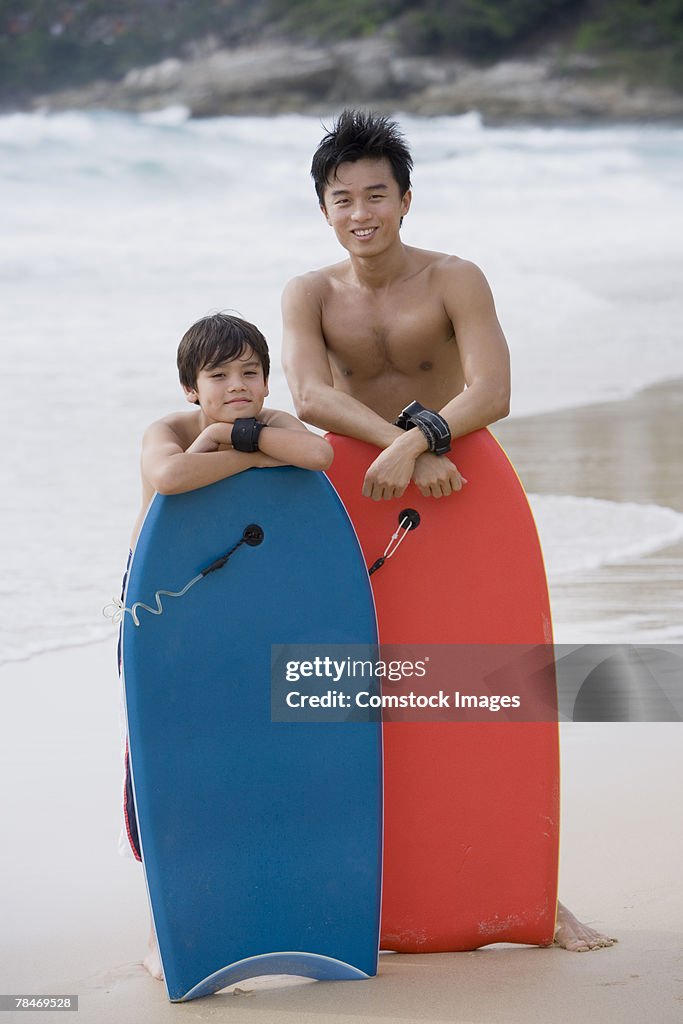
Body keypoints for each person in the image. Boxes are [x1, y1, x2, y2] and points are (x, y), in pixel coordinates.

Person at [281, 108, 615, 953]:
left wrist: (420, 439)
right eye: (343, 198)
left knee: (493, 694)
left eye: (377, 195)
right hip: (356, 491)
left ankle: (530, 897)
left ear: (406, 198)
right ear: (323, 207)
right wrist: (400, 447)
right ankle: (376, 894)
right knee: (367, 700)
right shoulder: (309, 292)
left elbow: (493, 390)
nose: (362, 213)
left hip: (461, 482)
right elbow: (311, 397)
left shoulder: (453, 278)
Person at [119, 312, 333, 978]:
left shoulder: (279, 424)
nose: (237, 385)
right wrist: (222, 439)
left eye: (250, 372)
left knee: (254, 755)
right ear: (190, 387)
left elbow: (319, 456)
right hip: (164, 613)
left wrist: (230, 438)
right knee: (169, 764)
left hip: (245, 608)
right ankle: (168, 924)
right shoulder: (169, 431)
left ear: (267, 379)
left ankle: (274, 904)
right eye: (218, 376)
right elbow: (172, 477)